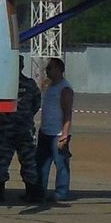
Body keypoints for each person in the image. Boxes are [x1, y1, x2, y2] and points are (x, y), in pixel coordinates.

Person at [0, 69, 40, 204]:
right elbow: (36, 104)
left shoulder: (2, 84)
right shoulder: (30, 84)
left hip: (7, 128)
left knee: (2, 160)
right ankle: (30, 192)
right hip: (24, 128)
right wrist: (25, 115)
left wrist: (8, 116)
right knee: (28, 161)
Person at [34, 57, 74, 204]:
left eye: (50, 68)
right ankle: (39, 192)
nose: (47, 70)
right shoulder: (50, 86)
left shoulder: (65, 88)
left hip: (57, 134)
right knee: (41, 164)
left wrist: (64, 134)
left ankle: (61, 192)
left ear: (59, 69)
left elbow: (67, 113)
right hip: (45, 131)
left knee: (61, 164)